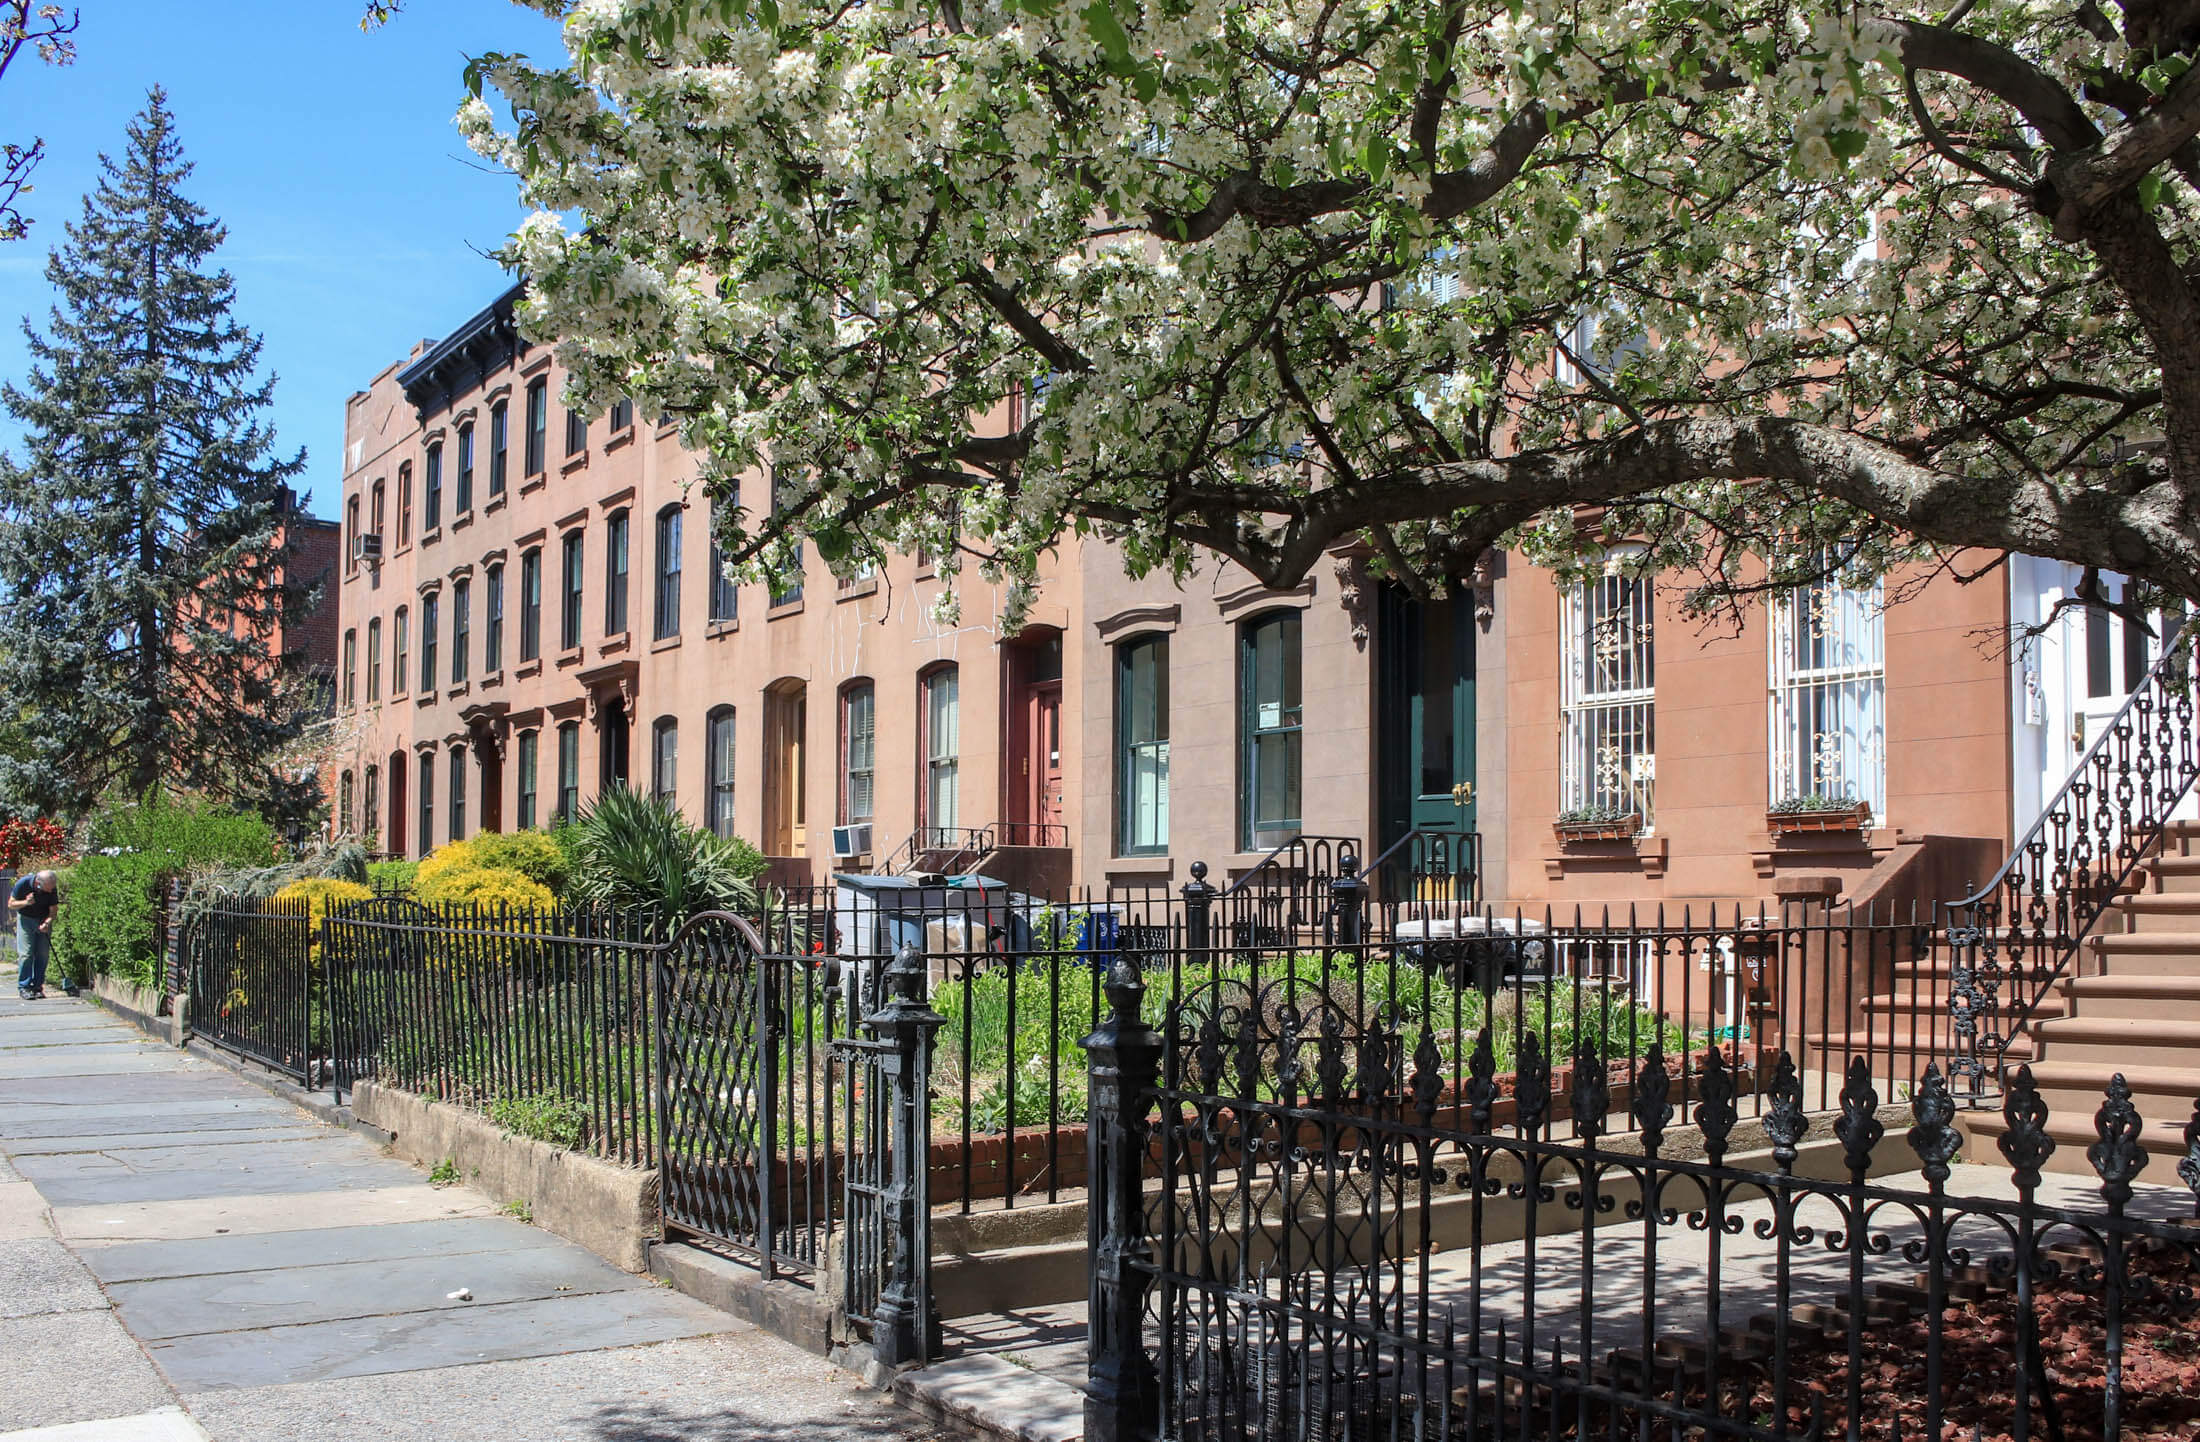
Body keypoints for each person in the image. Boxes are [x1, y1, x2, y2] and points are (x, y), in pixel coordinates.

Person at [11, 870, 67, 1000]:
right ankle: (24, 987)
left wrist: (47, 922)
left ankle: (37, 987)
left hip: (43, 919)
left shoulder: (51, 888)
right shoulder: (23, 884)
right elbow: (11, 904)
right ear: (38, 883)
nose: (50, 891)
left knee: (42, 954)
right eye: (47, 889)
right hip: (26, 919)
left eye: (51, 888)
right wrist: (26, 902)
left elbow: (53, 910)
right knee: (26, 954)